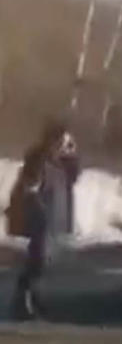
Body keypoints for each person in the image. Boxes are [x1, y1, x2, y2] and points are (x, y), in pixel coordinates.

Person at [5, 122, 79, 321]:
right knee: (36, 261)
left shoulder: (57, 162)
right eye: (63, 142)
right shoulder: (39, 160)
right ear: (52, 141)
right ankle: (23, 302)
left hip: (49, 219)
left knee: (42, 262)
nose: (66, 145)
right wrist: (40, 211)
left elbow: (73, 178)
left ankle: (33, 299)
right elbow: (30, 188)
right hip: (40, 219)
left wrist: (71, 156)